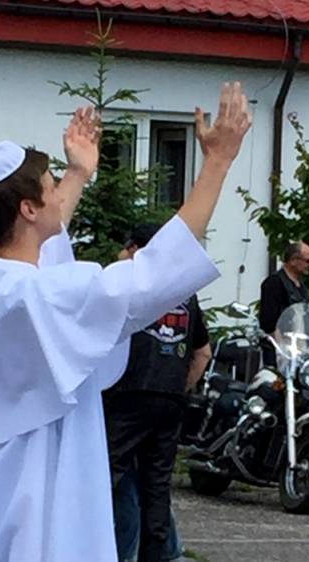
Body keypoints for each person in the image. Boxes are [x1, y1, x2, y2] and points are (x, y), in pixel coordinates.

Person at [0, 83, 252, 562]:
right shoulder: (45, 296)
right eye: (49, 186)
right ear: (28, 208)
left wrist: (76, 173)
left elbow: (43, 245)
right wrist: (218, 162)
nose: (57, 194)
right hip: (44, 491)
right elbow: (156, 273)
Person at [105, 223, 212, 562]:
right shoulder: (185, 292)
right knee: (157, 485)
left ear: (138, 249)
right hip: (170, 400)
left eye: (128, 247)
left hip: (129, 394)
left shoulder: (129, 283)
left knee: (107, 476)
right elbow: (203, 353)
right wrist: (179, 387)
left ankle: (102, 549)